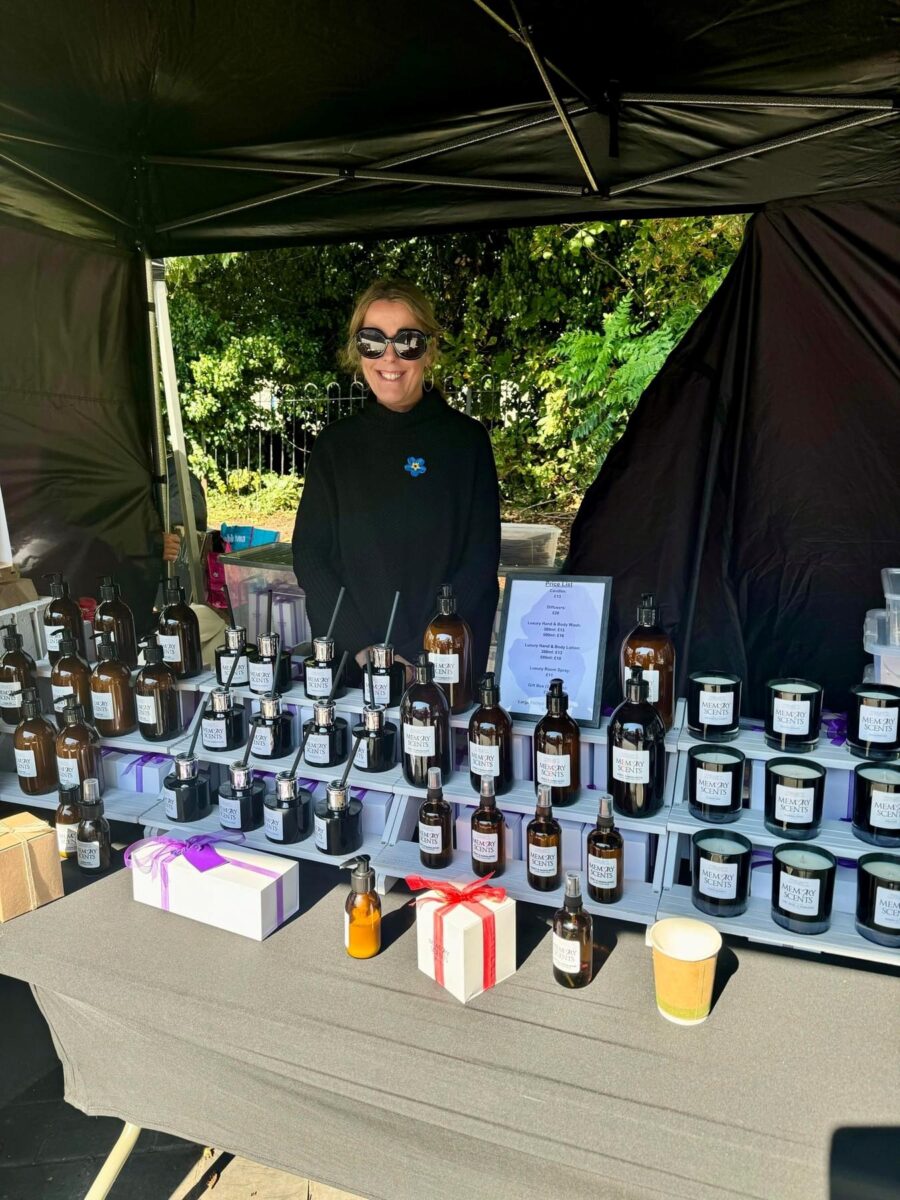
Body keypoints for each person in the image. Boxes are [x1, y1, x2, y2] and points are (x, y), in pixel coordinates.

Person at [292, 280, 500, 684]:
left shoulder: (466, 443)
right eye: (372, 341)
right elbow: (312, 557)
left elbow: (478, 563)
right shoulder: (336, 447)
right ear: (358, 349)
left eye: (407, 341)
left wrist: (421, 653)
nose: (390, 356)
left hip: (442, 668)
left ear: (429, 349)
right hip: (356, 669)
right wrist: (365, 649)